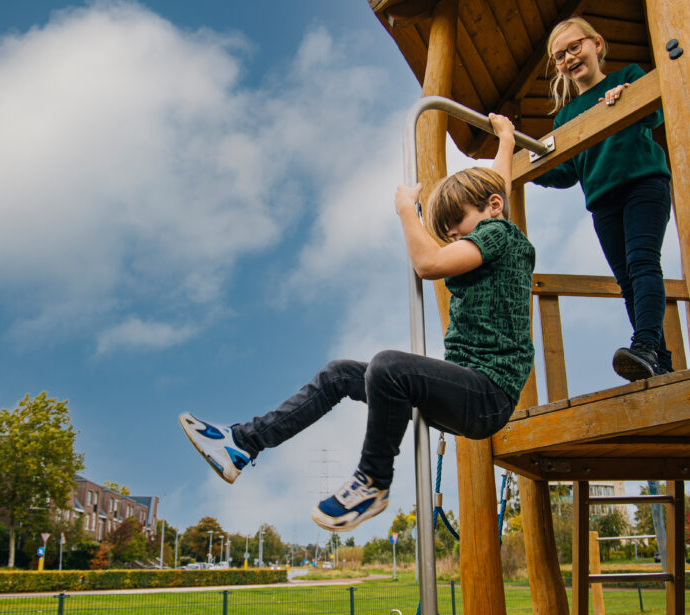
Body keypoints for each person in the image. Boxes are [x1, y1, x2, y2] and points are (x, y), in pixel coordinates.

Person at [180, 114, 535, 532]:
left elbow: (428, 263)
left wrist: (407, 212)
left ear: (492, 210)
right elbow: (498, 186)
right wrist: (506, 139)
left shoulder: (500, 235)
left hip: (486, 393)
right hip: (462, 389)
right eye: (452, 235)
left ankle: (373, 482)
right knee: (340, 374)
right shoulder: (491, 222)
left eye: (459, 227)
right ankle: (242, 443)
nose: (458, 240)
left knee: (389, 366)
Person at [533, 16, 674, 380]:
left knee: (643, 262)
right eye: (559, 56)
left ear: (596, 43)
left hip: (643, 183)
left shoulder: (626, 76)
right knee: (626, 279)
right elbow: (566, 171)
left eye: (574, 47)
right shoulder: (565, 116)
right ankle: (659, 358)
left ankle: (643, 344)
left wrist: (628, 98)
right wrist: (525, 166)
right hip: (602, 201)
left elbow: (656, 112)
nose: (568, 58)